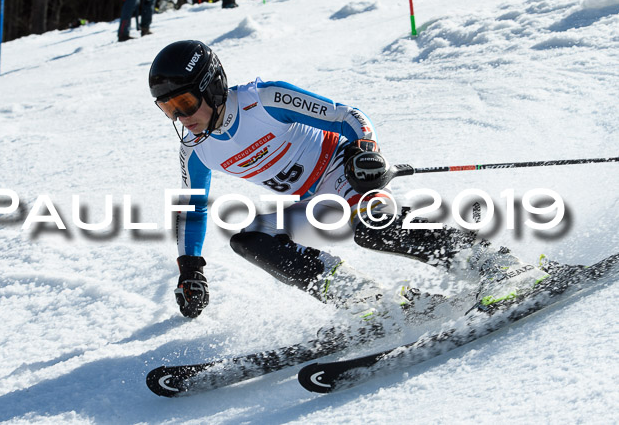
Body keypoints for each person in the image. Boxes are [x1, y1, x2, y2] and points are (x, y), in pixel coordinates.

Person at [147, 40, 549, 319]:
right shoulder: (195, 150)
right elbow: (193, 208)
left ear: (212, 86)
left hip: (344, 172)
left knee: (373, 229)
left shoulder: (263, 99)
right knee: (248, 239)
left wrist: (366, 150)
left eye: (184, 102)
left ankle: (497, 265)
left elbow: (347, 116)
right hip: (311, 202)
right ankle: (367, 299)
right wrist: (190, 269)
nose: (181, 117)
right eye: (169, 109)